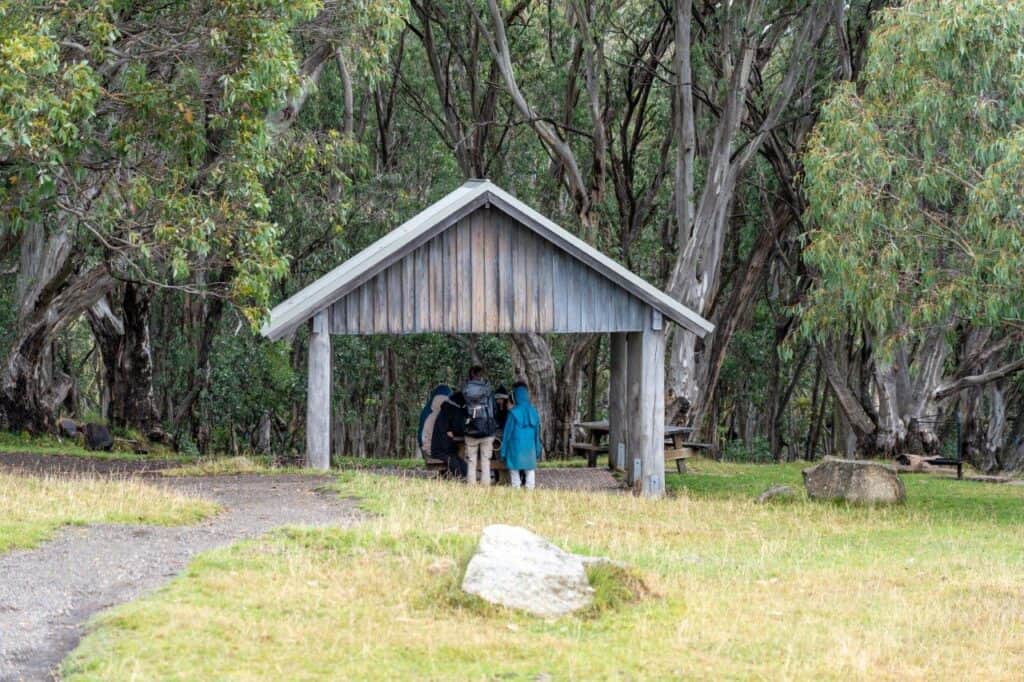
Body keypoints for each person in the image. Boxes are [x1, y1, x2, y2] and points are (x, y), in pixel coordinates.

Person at [501, 381, 542, 490]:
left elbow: (507, 434)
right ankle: (530, 488)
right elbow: (537, 434)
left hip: (515, 446)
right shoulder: (534, 412)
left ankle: (516, 488)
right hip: (530, 446)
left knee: (514, 467)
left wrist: (503, 450)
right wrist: (538, 449)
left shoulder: (513, 413)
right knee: (530, 468)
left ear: (515, 396)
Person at [461, 365, 497, 486]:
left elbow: (462, 409)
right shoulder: (487, 389)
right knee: (485, 459)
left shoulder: (465, 390)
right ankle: (485, 484)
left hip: (471, 428)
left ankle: (471, 484)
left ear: (470, 375)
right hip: (487, 429)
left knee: (471, 459)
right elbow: (494, 409)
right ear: (481, 375)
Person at [433, 391, 467, 478]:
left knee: (461, 463)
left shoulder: (448, 408)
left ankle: (463, 477)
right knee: (455, 462)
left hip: (444, 448)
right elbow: (458, 428)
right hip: (442, 449)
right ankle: (460, 478)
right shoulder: (453, 409)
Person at [418, 384, 451, 459]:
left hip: (429, 450)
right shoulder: (453, 410)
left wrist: (421, 444)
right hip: (448, 451)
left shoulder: (427, 411)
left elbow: (420, 435)